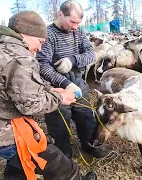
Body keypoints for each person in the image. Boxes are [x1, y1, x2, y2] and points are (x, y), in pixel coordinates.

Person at [0, 10, 97, 180]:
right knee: (60, 166)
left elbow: (12, 85)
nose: (40, 47)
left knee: (19, 164)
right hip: (2, 131)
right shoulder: (20, 57)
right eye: (40, 41)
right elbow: (31, 105)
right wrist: (61, 97)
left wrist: (49, 90)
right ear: (26, 33)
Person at [36, 0, 109, 159]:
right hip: (57, 86)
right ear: (60, 14)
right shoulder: (48, 35)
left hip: (77, 80)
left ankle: (89, 145)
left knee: (85, 115)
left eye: (78, 22)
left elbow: (91, 55)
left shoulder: (79, 33)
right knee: (59, 123)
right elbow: (42, 65)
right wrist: (64, 82)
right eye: (72, 21)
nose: (75, 26)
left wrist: (73, 60)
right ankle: (64, 156)